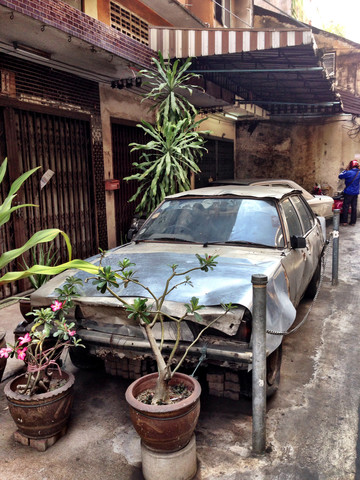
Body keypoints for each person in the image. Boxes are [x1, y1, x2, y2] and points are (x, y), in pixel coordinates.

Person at [339, 159, 360, 226]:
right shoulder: (359, 172)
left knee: (346, 206)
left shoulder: (348, 172)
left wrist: (345, 169)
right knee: (354, 207)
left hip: (348, 192)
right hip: (355, 193)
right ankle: (353, 222)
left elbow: (340, 176)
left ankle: (345, 221)